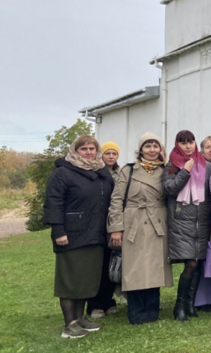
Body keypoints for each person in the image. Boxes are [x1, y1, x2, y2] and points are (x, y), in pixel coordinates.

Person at [44, 135, 114, 338]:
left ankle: (80, 317)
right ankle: (69, 324)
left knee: (86, 281)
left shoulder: (100, 172)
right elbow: (53, 203)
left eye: (92, 148)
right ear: (75, 151)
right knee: (70, 282)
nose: (89, 152)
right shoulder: (63, 173)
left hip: (96, 235)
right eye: (84, 149)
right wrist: (58, 231)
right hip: (71, 235)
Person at [108, 132, 173, 325]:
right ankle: (136, 312)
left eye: (155, 146)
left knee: (154, 269)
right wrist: (116, 228)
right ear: (141, 149)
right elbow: (116, 200)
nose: (152, 150)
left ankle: (152, 311)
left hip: (157, 224)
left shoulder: (166, 171)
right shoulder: (128, 171)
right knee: (135, 269)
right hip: (133, 223)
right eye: (148, 146)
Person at [162, 130, 211, 321]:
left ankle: (190, 304)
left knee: (198, 263)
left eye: (191, 142)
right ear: (177, 145)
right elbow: (169, 189)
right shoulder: (172, 165)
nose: (188, 146)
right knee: (190, 263)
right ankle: (179, 305)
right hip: (181, 221)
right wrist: (185, 171)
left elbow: (209, 194)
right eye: (183, 143)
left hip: (201, 221)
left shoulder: (205, 165)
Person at [85, 141, 120, 319]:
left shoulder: (120, 173)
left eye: (114, 153)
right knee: (96, 266)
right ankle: (94, 304)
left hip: (114, 223)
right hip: (97, 225)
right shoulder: (94, 173)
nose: (111, 156)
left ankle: (108, 300)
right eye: (108, 153)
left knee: (111, 265)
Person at [194, 136, 211, 312]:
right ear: (202, 149)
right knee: (201, 259)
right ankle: (199, 299)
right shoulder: (198, 167)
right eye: (208, 147)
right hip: (201, 217)